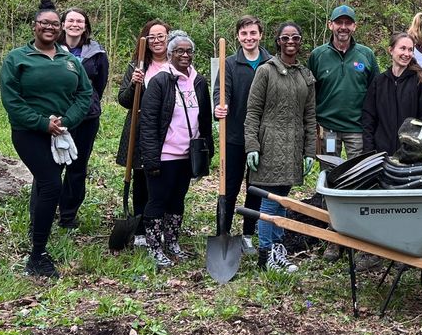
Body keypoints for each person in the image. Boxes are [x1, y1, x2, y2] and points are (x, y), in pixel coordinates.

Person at [0, 0, 93, 278]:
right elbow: (12, 101)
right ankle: (37, 254)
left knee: (45, 185)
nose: (49, 28)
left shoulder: (69, 60)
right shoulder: (17, 58)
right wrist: (43, 123)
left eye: (54, 24)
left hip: (62, 133)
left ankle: (36, 228)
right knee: (51, 184)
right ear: (35, 26)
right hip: (30, 134)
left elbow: (85, 94)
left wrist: (67, 120)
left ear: (60, 28)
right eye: (44, 23)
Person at [243, 21, 317, 272]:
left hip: (293, 145)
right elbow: (252, 111)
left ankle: (278, 249)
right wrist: (251, 145)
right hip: (269, 144)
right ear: (278, 41)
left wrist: (310, 151)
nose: (290, 42)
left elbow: (310, 116)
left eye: (295, 37)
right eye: (285, 38)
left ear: (300, 41)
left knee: (283, 200)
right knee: (269, 202)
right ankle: (266, 255)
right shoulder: (265, 71)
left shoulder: (305, 75)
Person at [136, 30, 213, 268]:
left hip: (187, 155)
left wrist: (207, 152)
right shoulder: (159, 82)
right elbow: (147, 123)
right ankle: (154, 247)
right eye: (179, 51)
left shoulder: (198, 82)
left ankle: (172, 242)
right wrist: (151, 160)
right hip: (165, 154)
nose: (184, 55)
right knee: (157, 200)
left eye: (188, 51)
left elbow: (205, 121)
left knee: (178, 200)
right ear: (170, 54)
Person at [214, 16, 271, 248]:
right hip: (235, 135)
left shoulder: (271, 63)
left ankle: (248, 234)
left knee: (255, 188)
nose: (249, 38)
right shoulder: (229, 63)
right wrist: (219, 106)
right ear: (238, 36)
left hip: (262, 137)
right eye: (244, 34)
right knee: (229, 187)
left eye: (253, 33)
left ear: (260, 35)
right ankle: (223, 233)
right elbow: (220, 92)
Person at [115, 19, 170, 245]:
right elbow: (124, 100)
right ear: (144, 42)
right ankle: (139, 229)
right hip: (140, 129)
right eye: (152, 37)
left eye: (161, 36)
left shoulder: (176, 63)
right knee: (141, 179)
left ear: (169, 38)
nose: (157, 41)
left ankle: (160, 224)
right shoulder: (137, 66)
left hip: (169, 129)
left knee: (166, 177)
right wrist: (133, 84)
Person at [57, 7, 109, 228]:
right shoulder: (50, 48)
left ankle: (68, 215)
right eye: (71, 20)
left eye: (80, 21)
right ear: (63, 24)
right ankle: (45, 210)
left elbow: (100, 84)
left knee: (77, 167)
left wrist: (87, 103)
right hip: (57, 117)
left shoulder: (97, 53)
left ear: (85, 26)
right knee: (52, 166)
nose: (75, 24)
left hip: (87, 118)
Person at [309, 5, 378, 159]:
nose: (343, 27)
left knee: (358, 172)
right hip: (328, 129)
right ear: (330, 25)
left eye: (348, 23)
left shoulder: (366, 55)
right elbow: (310, 93)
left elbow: (375, 92)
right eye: (339, 22)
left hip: (357, 129)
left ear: (354, 26)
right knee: (330, 171)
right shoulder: (318, 55)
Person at [361, 32, 422, 154]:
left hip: (410, 155)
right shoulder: (379, 82)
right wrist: (369, 151)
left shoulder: (421, 82)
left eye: (410, 50)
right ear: (391, 50)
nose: (406, 54)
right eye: (402, 48)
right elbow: (368, 119)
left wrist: (414, 150)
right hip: (381, 153)